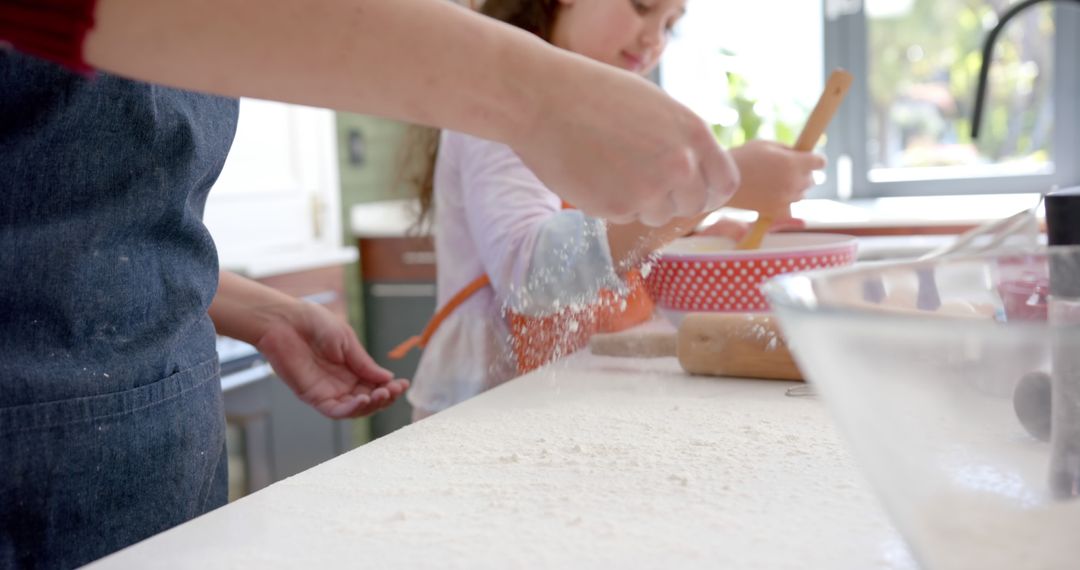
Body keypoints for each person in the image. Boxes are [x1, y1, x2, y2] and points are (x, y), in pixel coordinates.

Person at [0, 0, 742, 566]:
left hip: (161, 415)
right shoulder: (507, 124)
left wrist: (236, 301)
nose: (654, 34)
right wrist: (535, 94)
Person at [398, 0, 825, 421]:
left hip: (571, 398)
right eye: (642, 7)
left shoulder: (604, 123)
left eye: (671, 24)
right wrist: (723, 185)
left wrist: (688, 234)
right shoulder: (500, 103)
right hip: (481, 412)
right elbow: (532, 277)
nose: (653, 38)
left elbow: (612, 238)